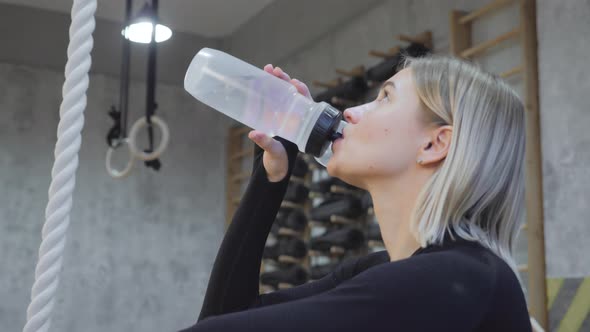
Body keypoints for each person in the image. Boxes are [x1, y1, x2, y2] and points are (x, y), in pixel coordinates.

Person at [179, 56, 532, 331]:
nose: (350, 111)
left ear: (434, 143)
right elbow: (225, 314)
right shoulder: (392, 269)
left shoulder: (454, 278)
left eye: (384, 99)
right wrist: (270, 177)